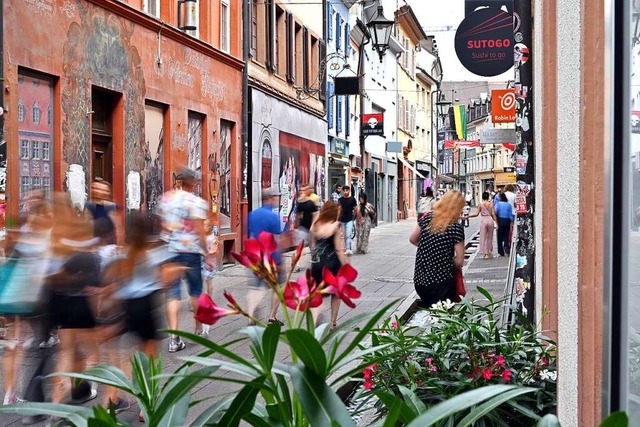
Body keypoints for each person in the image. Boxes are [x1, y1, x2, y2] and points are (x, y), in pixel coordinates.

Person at [107, 213, 187, 417]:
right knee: (150, 361)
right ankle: (145, 408)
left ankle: (111, 401)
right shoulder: (155, 254)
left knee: (123, 358)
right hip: (146, 307)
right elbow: (165, 279)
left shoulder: (122, 255)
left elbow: (111, 280)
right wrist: (179, 269)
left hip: (127, 308)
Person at [157, 167, 209, 352]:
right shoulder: (196, 202)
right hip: (191, 251)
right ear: (192, 182)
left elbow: (163, 226)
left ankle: (173, 339)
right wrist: (206, 252)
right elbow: (200, 230)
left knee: (172, 294)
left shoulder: (165, 199)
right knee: (195, 291)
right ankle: (198, 329)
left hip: (169, 251)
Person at [409, 191, 465, 308]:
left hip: (420, 281)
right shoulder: (455, 226)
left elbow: (413, 239)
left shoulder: (426, 217)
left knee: (431, 311)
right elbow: (459, 261)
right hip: (442, 283)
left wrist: (429, 248)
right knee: (443, 318)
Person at [246, 189, 284, 325]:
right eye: (275, 197)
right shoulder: (273, 217)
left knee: (256, 287)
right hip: (271, 257)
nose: (276, 200)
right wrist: (279, 261)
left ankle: (252, 316)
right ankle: (272, 317)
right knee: (277, 287)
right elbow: (276, 239)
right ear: (268, 198)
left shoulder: (252, 214)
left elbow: (250, 235)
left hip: (256, 256)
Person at [310, 202, 348, 328]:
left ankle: (315, 320)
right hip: (333, 265)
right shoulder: (336, 226)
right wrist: (346, 265)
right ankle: (333, 322)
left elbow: (313, 246)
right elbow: (339, 249)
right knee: (336, 294)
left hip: (317, 265)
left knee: (317, 294)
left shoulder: (315, 225)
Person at [466, 192, 498, 259]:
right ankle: (488, 251)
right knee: (490, 237)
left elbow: (476, 214)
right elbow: (493, 214)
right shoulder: (491, 204)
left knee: (483, 237)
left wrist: (469, 216)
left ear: (482, 197)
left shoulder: (480, 204)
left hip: (483, 220)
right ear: (488, 197)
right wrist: (496, 223)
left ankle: (485, 253)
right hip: (490, 220)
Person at [338, 186, 357, 255]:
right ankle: (346, 248)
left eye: (347, 190)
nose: (345, 192)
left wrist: (355, 216)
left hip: (349, 219)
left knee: (348, 234)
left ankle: (348, 249)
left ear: (349, 191)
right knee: (344, 235)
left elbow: (355, 208)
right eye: (344, 190)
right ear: (343, 191)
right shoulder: (340, 200)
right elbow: (339, 210)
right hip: (342, 220)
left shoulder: (352, 199)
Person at [494, 193, 515, 257]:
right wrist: (511, 222)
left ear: (500, 198)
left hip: (500, 220)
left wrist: (496, 222)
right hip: (507, 221)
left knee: (499, 237)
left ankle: (501, 252)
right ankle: (507, 247)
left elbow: (496, 211)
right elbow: (511, 214)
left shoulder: (498, 204)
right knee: (506, 235)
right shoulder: (509, 205)